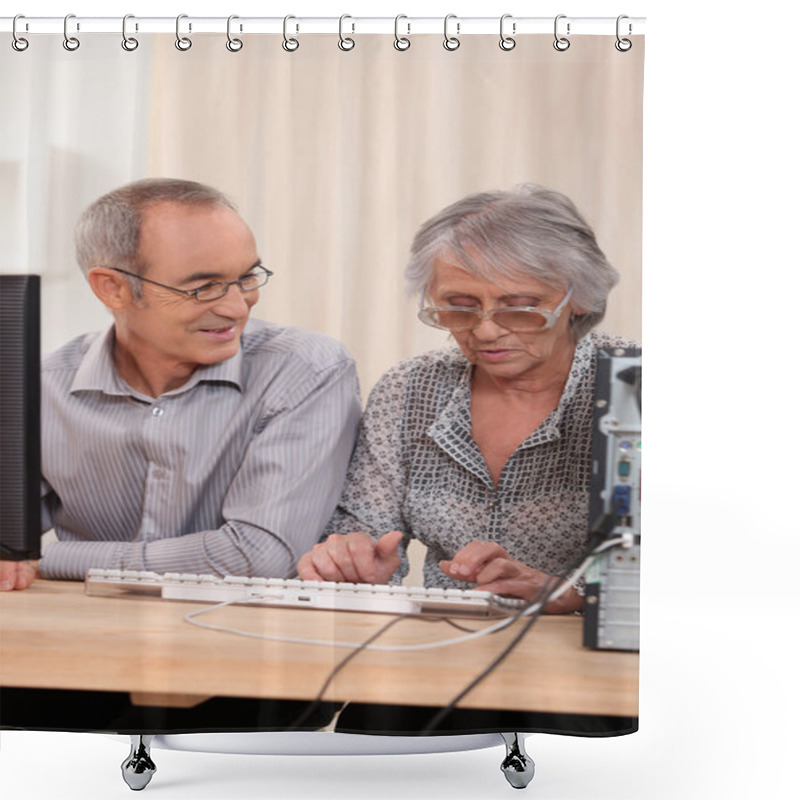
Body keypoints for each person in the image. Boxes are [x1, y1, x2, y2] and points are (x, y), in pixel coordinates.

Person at [0, 177, 360, 732]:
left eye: (246, 278)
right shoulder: (43, 384)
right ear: (112, 288)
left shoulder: (305, 369)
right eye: (204, 287)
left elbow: (257, 556)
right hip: (83, 652)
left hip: (247, 656)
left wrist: (47, 563)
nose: (237, 307)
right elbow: (6, 540)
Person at [297, 183, 639, 736]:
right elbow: (362, 524)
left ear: (577, 297)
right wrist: (357, 560)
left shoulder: (634, 387)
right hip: (433, 666)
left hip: (587, 674)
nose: (484, 330)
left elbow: (692, 569)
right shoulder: (412, 389)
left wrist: (570, 590)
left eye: (520, 308)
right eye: (458, 307)